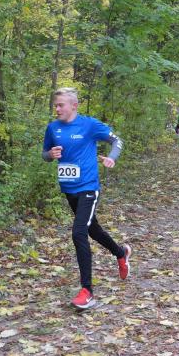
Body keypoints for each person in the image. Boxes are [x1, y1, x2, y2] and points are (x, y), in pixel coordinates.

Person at [42, 88, 132, 310]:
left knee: (78, 232)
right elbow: (45, 154)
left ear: (74, 106)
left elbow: (117, 141)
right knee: (93, 230)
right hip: (69, 189)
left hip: (89, 187)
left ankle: (87, 291)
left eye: (61, 105)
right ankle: (121, 252)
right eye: (55, 105)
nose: (57, 109)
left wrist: (111, 158)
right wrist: (50, 155)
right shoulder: (53, 128)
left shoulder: (89, 125)